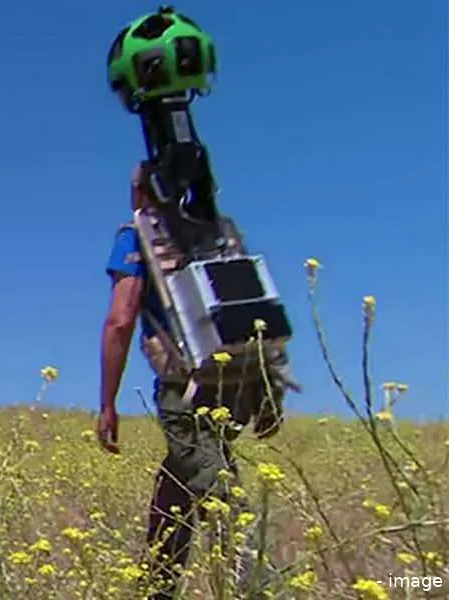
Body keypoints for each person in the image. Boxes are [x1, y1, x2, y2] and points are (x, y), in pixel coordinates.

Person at [96, 163, 299, 599]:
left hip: (187, 386)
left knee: (221, 497)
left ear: (139, 193)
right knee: (176, 492)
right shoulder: (218, 232)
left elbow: (120, 319)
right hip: (242, 384)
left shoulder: (137, 235)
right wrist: (269, 391)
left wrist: (108, 403)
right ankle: (156, 591)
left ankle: (257, 590)